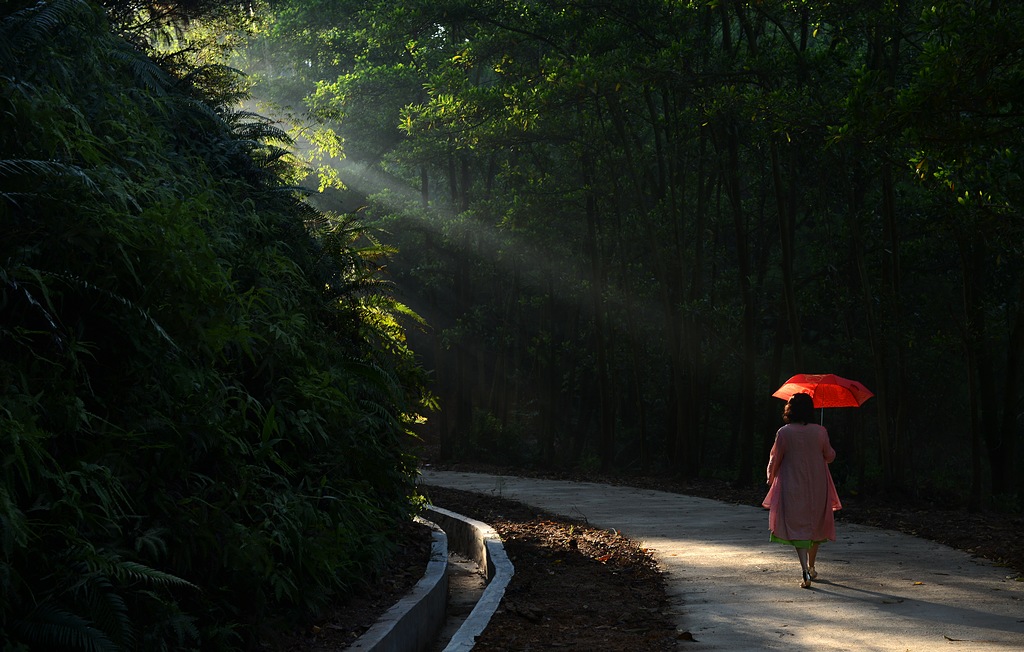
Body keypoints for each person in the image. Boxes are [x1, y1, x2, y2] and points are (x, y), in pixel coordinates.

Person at [762, 392, 842, 588]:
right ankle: (812, 567)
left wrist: (770, 478)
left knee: (798, 525)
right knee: (815, 523)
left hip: (792, 484)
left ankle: (805, 569)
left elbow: (775, 457)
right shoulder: (820, 431)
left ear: (791, 410)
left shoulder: (784, 432)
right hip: (817, 484)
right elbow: (829, 456)